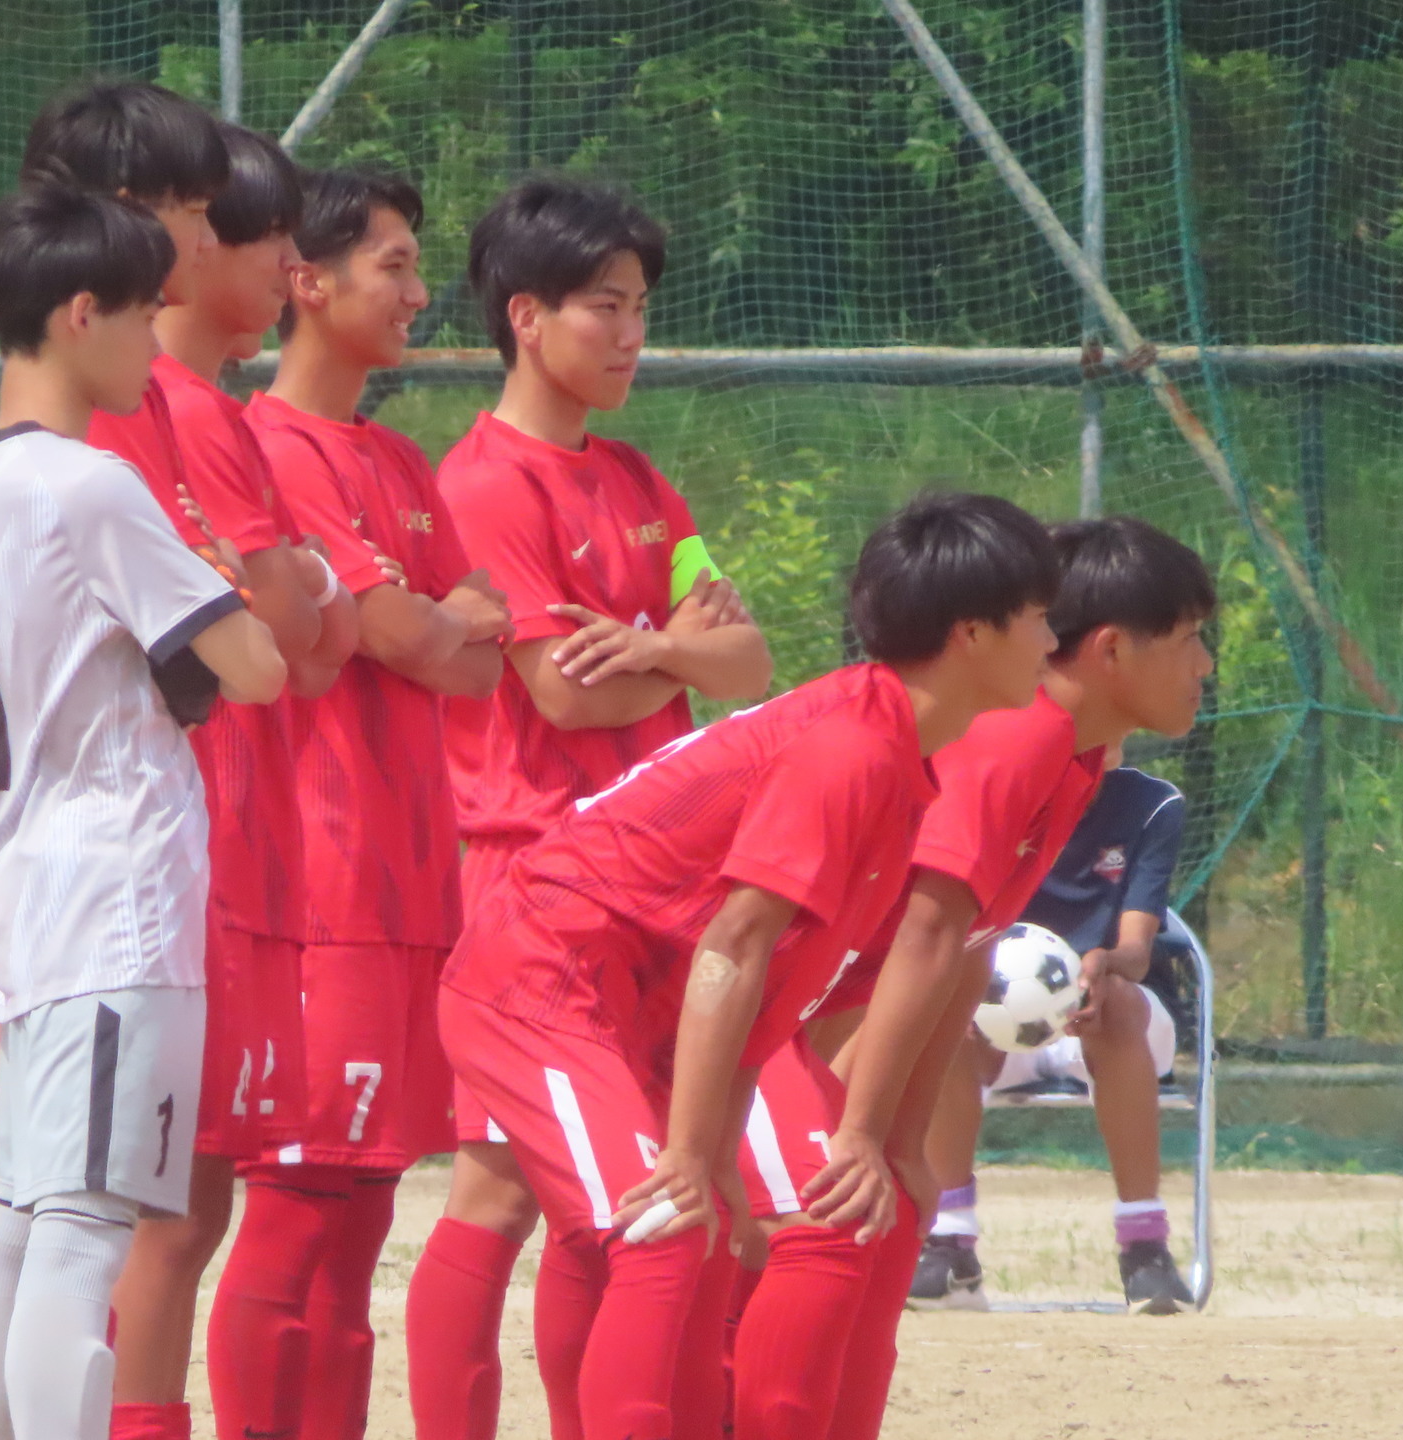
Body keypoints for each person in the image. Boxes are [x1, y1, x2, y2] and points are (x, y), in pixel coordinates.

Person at [439, 491, 1061, 1440]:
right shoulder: (852, 750)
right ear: (972, 633)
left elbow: (764, 988)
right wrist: (691, 1156)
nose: (1052, 639)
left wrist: (716, 1154)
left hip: (621, 994)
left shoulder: (899, 757)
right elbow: (736, 942)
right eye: (1038, 616)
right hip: (539, 978)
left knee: (701, 1235)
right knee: (661, 1227)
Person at [19, 90, 363, 1440]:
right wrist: (288, 593)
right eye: (239, 228)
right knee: (129, 1209)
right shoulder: (133, 410)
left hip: (204, 840)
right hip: (145, 859)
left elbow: (302, 631)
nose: (282, 266)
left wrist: (288, 591)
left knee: (182, 1195)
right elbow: (270, 635)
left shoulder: (189, 412)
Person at [408, 175, 773, 1440]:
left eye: (639, 308)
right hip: (531, 871)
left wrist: (659, 649)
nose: (630, 334)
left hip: (657, 879)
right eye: (602, 307)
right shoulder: (483, 482)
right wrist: (669, 647)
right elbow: (560, 696)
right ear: (525, 316)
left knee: (627, 1187)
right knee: (504, 1183)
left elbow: (750, 663)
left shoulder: (636, 476)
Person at [729, 514, 1216, 1440]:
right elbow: (922, 933)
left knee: (873, 1220)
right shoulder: (1015, 739)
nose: (1205, 665)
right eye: (1192, 638)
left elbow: (957, 945)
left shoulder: (1069, 758)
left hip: (774, 1005)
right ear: (1112, 649)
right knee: (823, 1224)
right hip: (689, 978)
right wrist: (862, 1132)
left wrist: (898, 1141)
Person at [0, 181, 286, 1440]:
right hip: (116, 899)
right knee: (85, 1235)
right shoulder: (90, 483)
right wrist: (226, 578)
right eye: (143, 315)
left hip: (33, 889)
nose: (156, 342)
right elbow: (256, 665)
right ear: (79, 313)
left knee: (25, 1222)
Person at [205, 167, 512, 1440]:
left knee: (363, 1207)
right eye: (391, 263)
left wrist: (438, 626)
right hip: (313, 875)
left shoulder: (396, 454)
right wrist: (435, 624)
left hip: (408, 877)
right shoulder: (270, 445)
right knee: (291, 1206)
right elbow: (407, 633)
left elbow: (480, 645)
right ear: (306, 282)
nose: (418, 290)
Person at [911, 745, 1194, 1315]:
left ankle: (1144, 1248)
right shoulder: (992, 793)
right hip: (1001, 1013)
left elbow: (1136, 950)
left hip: (1118, 1013)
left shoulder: (1151, 802)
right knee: (947, 1015)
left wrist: (1106, 966)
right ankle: (950, 1247)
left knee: (1114, 1005)